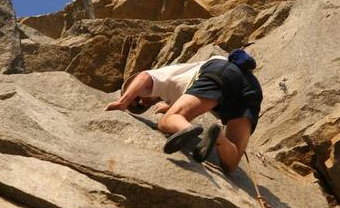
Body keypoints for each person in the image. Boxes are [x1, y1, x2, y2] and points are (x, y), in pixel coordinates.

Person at [105, 49, 263, 173]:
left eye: (135, 97)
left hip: (220, 71)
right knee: (231, 164)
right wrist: (168, 106)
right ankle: (218, 137)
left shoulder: (160, 77)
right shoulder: (171, 95)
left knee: (166, 121)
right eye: (138, 106)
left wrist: (122, 102)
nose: (138, 101)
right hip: (250, 86)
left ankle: (186, 128)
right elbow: (188, 98)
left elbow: (144, 77)